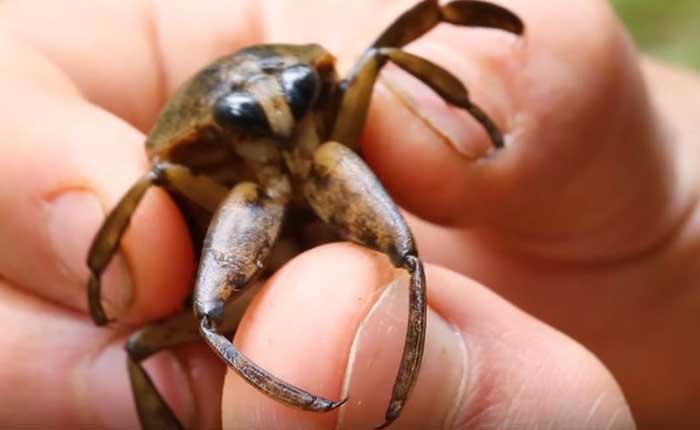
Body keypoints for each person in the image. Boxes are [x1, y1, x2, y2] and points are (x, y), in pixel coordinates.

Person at [0, 0, 697, 428]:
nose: (279, 121)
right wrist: (102, 266)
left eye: (300, 96)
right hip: (230, 259)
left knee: (385, 61)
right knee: (144, 350)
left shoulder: (343, 106)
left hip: (356, 224)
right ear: (216, 133)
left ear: (322, 86)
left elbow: (406, 34)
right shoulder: (184, 171)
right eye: (251, 120)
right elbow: (155, 200)